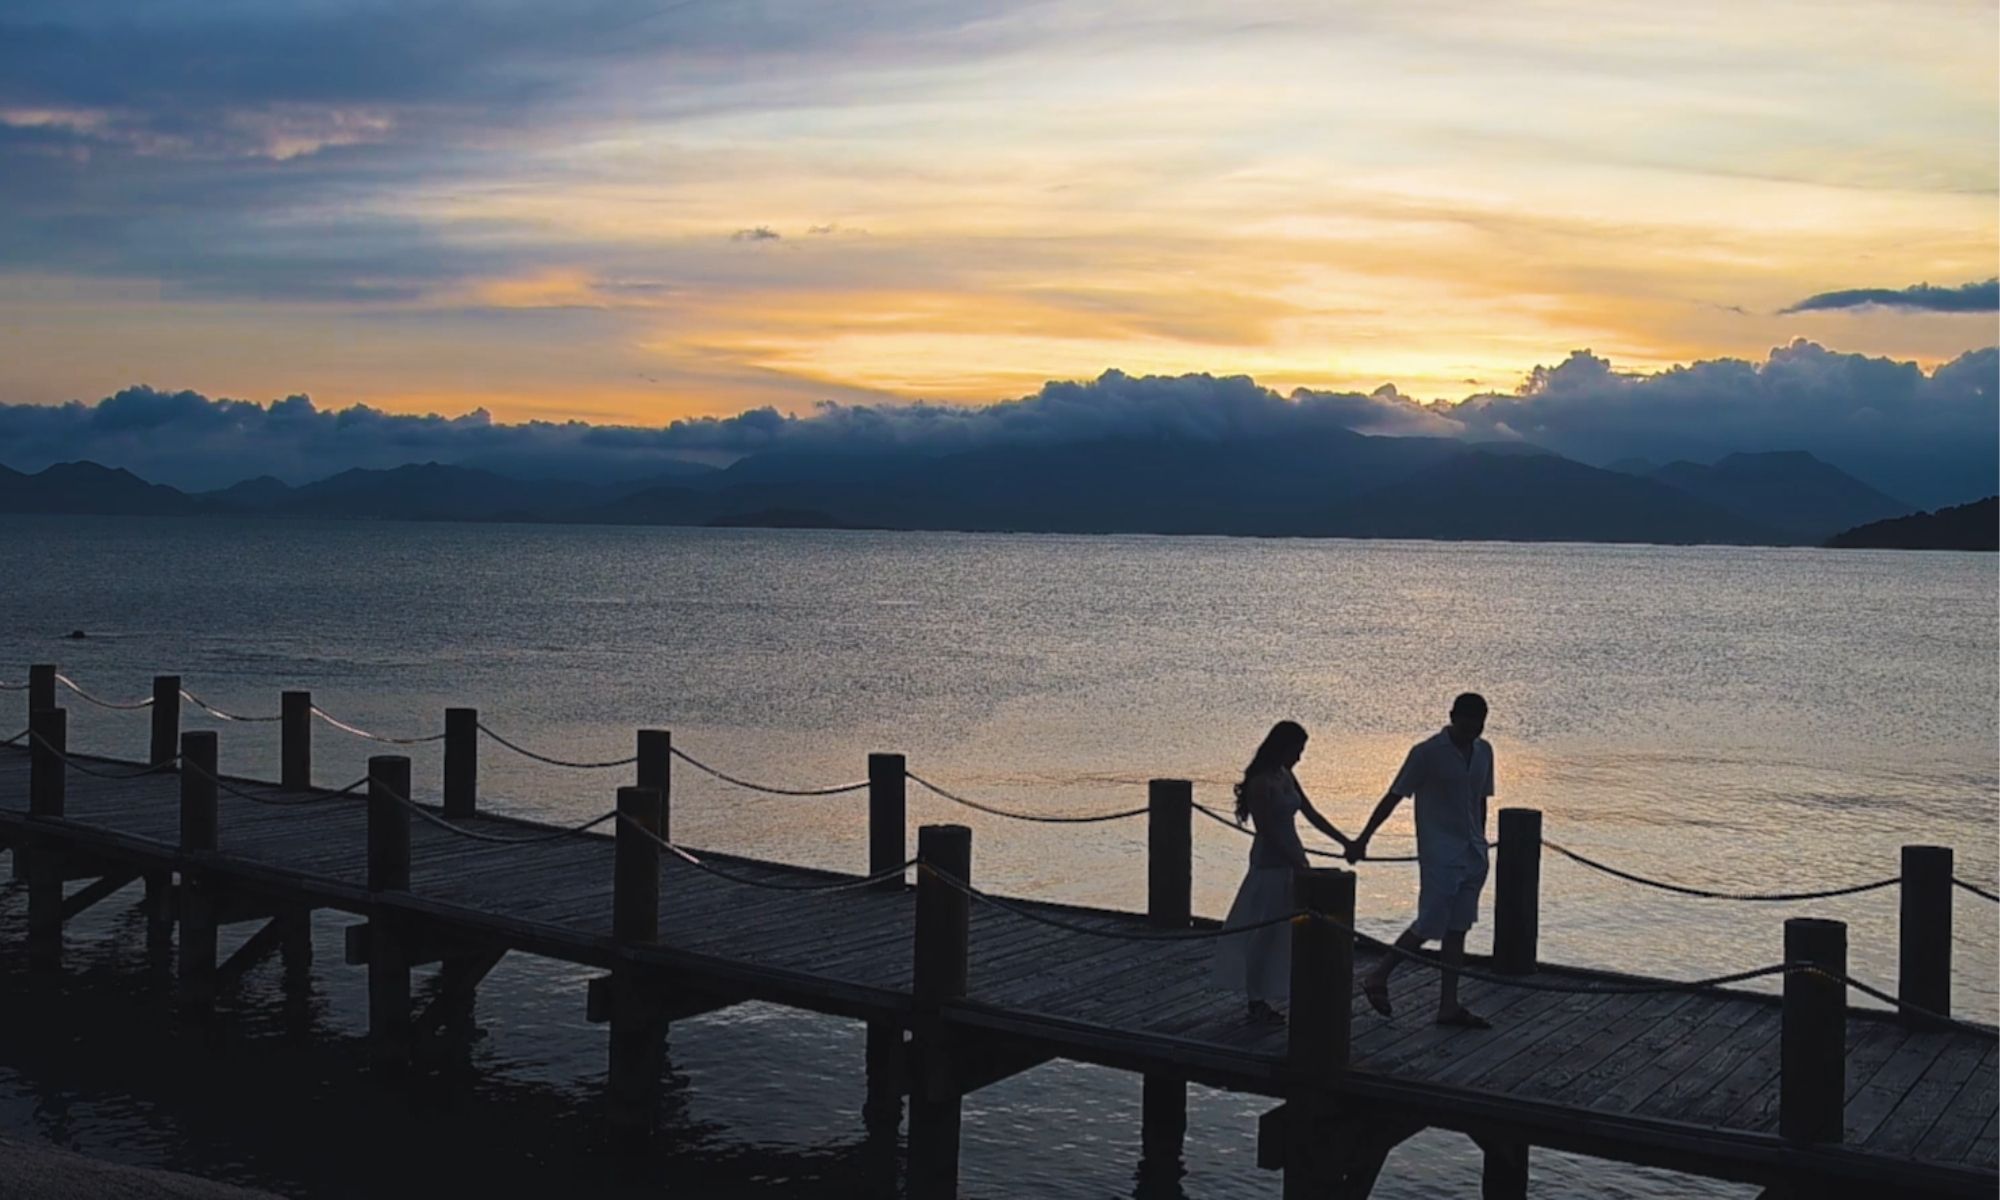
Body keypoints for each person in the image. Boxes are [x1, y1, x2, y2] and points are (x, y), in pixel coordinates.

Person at [1348, 693, 1496, 1029]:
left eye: (1480, 721)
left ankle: (1449, 1005)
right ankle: (1379, 975)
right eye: (1469, 720)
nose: (1474, 727)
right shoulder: (1427, 753)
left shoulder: (1485, 751)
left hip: (1473, 852)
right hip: (1440, 853)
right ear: (1453, 717)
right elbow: (1394, 796)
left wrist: (1482, 840)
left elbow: (1481, 799)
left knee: (1458, 928)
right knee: (1429, 923)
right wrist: (1363, 838)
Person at [1211, 720, 1353, 1024]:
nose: (1299, 757)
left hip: (1293, 859)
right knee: (1265, 931)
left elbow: (1311, 813)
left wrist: (1346, 842)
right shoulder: (1261, 782)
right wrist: (1296, 862)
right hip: (1271, 863)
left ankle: (1283, 991)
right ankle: (1256, 999)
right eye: (1297, 750)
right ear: (1282, 747)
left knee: (1291, 931)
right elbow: (1267, 830)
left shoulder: (1286, 775)